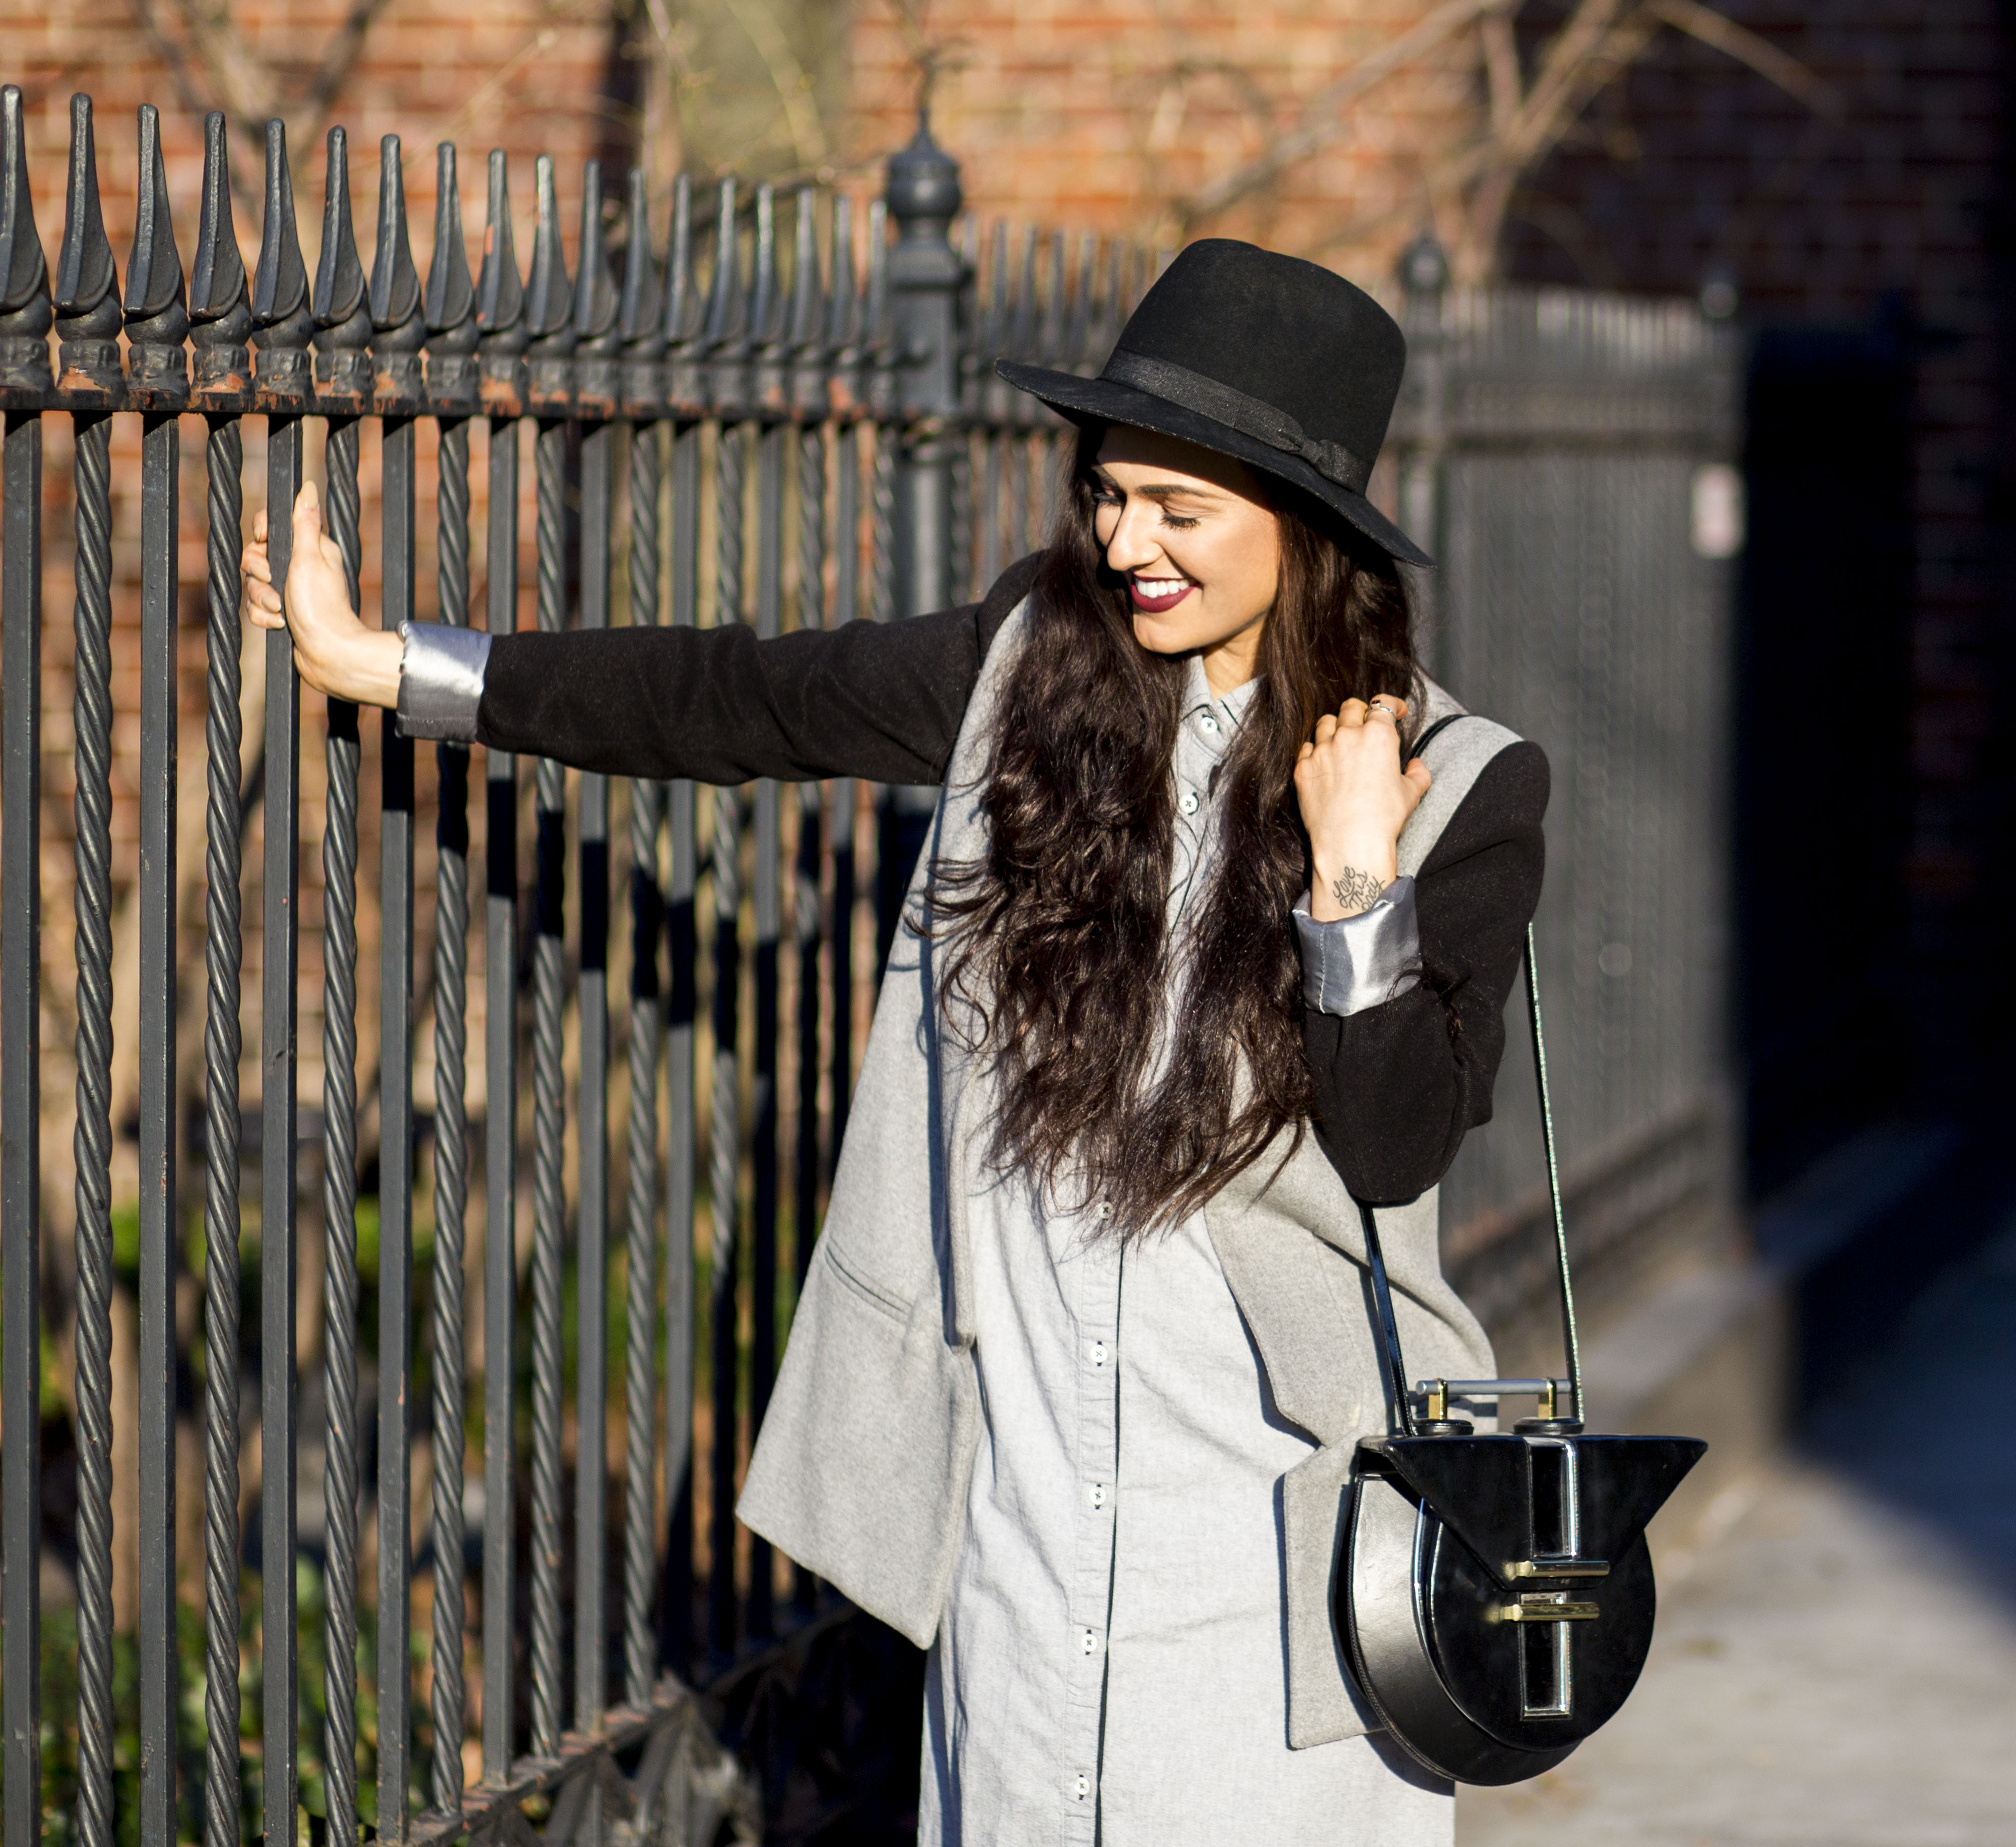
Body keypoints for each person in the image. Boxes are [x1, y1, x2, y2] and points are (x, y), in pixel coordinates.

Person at [245, 237, 1548, 1845]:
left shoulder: (1466, 786)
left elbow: (1400, 1139)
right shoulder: (1032, 669)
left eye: (1180, 512)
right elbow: (752, 700)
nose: (1127, 544)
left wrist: (1353, 885)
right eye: (1109, 495)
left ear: (1311, 528)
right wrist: (397, 666)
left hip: (1277, 1564)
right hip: (1020, 1530)